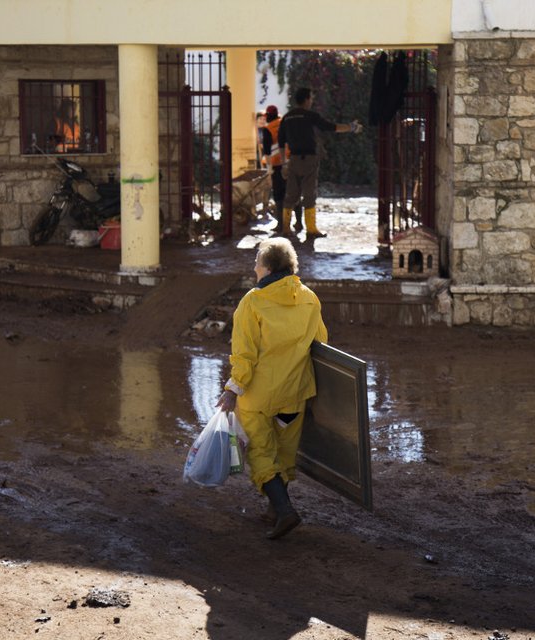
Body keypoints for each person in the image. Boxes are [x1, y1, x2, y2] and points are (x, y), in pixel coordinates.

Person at [216, 237, 328, 540]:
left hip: (259, 395)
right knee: (284, 450)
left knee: (262, 453)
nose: (254, 268)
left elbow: (244, 355)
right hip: (295, 394)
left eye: (256, 262)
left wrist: (231, 389)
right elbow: (321, 343)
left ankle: (285, 510)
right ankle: (275, 508)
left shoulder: (252, 302)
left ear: (267, 267)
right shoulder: (309, 298)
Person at [277, 87, 362, 238]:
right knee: (309, 195)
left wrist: (284, 163)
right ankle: (311, 230)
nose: (312, 100)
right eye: (311, 97)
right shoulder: (311, 115)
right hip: (309, 160)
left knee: (290, 195)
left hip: (293, 161)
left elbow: (281, 142)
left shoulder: (287, 117)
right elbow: (331, 127)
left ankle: (285, 228)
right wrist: (351, 127)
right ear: (306, 99)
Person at [260, 105, 300, 230]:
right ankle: (299, 223)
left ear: (267, 116)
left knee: (279, 195)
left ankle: (281, 225)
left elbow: (267, 150)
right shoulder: (287, 123)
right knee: (295, 193)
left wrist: (269, 168)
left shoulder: (268, 129)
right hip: (292, 163)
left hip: (277, 166)